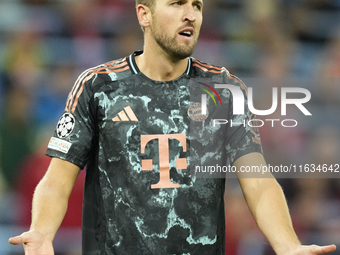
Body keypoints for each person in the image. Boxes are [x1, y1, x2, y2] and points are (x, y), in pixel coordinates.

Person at [9, 0, 337, 254]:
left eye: (197, 5)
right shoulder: (98, 87)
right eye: (177, 3)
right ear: (144, 15)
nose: (191, 14)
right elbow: (56, 181)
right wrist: (41, 231)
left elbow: (259, 182)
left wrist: (288, 244)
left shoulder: (222, 88)